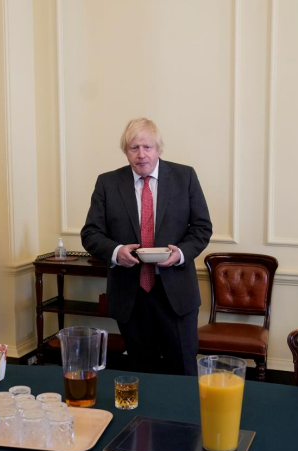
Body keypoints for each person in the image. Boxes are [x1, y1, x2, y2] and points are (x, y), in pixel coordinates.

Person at [81, 118, 212, 375]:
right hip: (131, 296)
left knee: (184, 370)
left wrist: (180, 254)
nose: (141, 155)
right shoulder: (107, 183)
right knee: (142, 372)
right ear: (126, 151)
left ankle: (185, 416)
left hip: (176, 294)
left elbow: (202, 227)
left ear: (159, 149)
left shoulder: (185, 177)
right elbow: (91, 233)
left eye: (147, 147)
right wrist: (117, 252)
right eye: (134, 148)